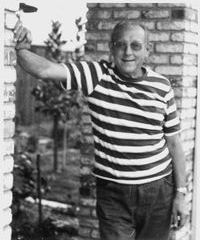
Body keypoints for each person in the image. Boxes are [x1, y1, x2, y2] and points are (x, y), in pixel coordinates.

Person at [14, 19, 188, 240]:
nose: (127, 52)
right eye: (120, 44)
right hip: (113, 194)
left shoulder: (162, 86)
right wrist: (20, 48)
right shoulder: (96, 75)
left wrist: (180, 195)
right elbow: (45, 70)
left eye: (136, 45)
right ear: (111, 48)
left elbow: (174, 143)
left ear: (147, 50)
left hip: (159, 191)